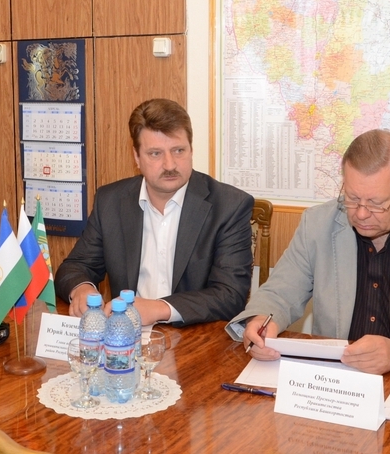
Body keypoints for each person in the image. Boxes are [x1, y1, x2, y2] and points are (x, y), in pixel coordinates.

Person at [227, 129, 390, 375]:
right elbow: (279, 293)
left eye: (376, 203)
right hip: (336, 379)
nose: (361, 214)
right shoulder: (317, 224)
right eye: (352, 198)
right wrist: (263, 322)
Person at [55, 98, 254, 326]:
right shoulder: (110, 201)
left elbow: (230, 296)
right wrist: (82, 288)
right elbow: (75, 266)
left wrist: (160, 308)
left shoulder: (228, 206)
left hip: (195, 336)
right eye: (155, 154)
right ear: (137, 157)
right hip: (126, 335)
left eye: (178, 150)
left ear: (191, 150)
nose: (170, 165)